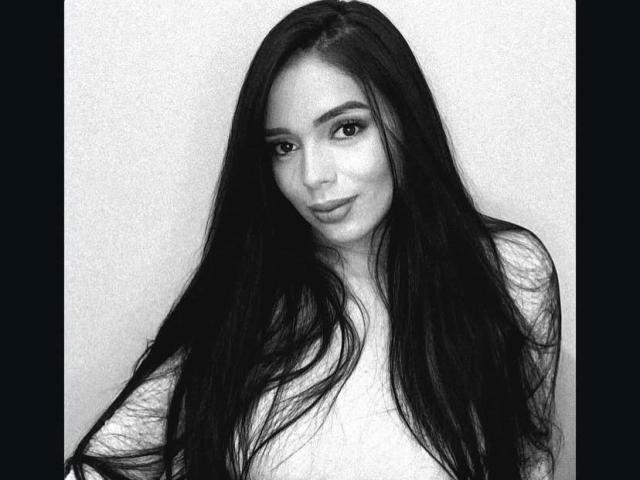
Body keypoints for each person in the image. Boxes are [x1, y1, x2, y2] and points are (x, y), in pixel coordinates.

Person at [65, 1, 561, 479]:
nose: (312, 176)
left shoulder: (510, 272)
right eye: (284, 146)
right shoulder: (249, 303)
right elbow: (104, 466)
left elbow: (529, 458)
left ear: (406, 122)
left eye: (346, 129)